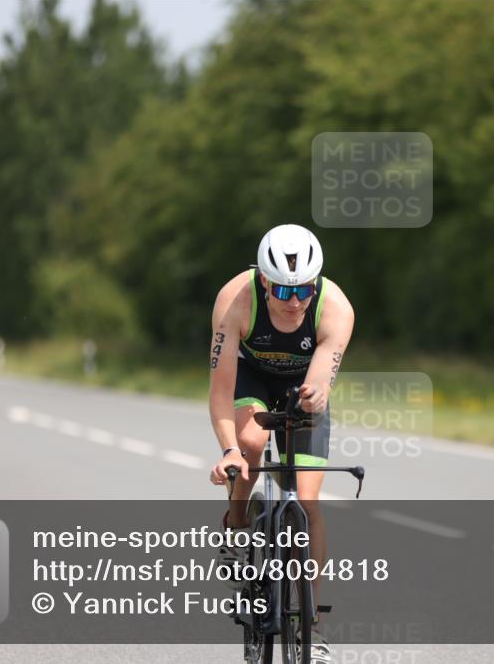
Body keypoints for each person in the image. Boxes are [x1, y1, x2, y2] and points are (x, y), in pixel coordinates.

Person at [208, 224, 354, 662]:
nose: (295, 302)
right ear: (265, 281)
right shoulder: (235, 300)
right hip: (251, 377)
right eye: (284, 291)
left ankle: (313, 626)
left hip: (300, 383)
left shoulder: (336, 309)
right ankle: (236, 524)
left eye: (304, 291)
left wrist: (317, 395)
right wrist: (228, 450)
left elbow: (320, 381)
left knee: (308, 504)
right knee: (251, 441)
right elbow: (219, 390)